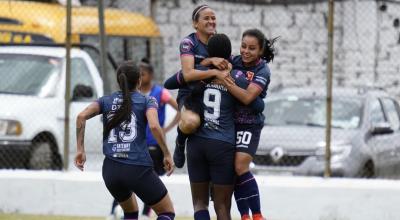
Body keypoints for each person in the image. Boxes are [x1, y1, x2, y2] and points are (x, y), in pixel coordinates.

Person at [74, 61, 176, 220]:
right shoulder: (147, 101)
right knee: (167, 212)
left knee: (130, 213)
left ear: (119, 81)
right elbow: (155, 126)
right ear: (139, 81)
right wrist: (167, 154)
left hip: (111, 170)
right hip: (137, 167)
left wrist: (80, 149)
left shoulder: (105, 101)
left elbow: (81, 116)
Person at [221, 29, 277, 220]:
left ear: (260, 51)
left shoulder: (262, 70)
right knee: (232, 172)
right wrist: (213, 63)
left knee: (240, 167)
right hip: (229, 125)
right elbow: (206, 60)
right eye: (243, 46)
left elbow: (247, 98)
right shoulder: (233, 61)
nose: (245, 51)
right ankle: (244, 215)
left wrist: (227, 82)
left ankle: (258, 215)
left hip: (249, 125)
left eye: (252, 48)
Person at [173, 4, 230, 168]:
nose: (212, 21)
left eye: (213, 18)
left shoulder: (219, 41)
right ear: (195, 23)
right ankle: (180, 140)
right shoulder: (188, 42)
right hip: (191, 94)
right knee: (191, 122)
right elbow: (188, 74)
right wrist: (212, 69)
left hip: (215, 93)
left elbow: (227, 64)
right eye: (206, 18)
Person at [138, 58, 180, 218]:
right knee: (134, 177)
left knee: (150, 179)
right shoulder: (135, 94)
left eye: (143, 74)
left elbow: (180, 109)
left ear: (151, 75)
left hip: (154, 143)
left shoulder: (159, 92)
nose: (141, 78)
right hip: (137, 144)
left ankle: (145, 212)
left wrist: (166, 129)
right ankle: (117, 210)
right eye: (138, 75)